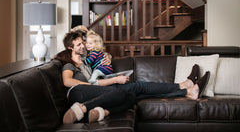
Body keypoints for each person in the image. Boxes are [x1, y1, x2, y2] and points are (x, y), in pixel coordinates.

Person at [55, 31, 210, 124]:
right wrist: (94, 84)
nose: (83, 47)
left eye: (83, 43)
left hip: (95, 91)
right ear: (70, 48)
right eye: (79, 45)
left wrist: (106, 56)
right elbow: (67, 81)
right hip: (79, 92)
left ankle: (187, 92)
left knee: (131, 98)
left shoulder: (85, 63)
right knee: (137, 87)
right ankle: (184, 85)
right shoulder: (69, 65)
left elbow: (96, 49)